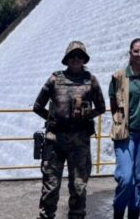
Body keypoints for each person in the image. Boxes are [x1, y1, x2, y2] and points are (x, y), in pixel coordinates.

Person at [33, 41, 106, 219]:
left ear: (84, 59)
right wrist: (53, 120)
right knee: (50, 187)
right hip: (55, 141)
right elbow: (37, 106)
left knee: (79, 187)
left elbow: (102, 107)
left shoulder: (91, 80)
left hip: (80, 142)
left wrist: (87, 116)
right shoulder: (54, 79)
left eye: (79, 56)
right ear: (67, 59)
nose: (76, 59)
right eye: (72, 56)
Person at [109, 38, 140, 219]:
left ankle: (134, 215)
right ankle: (118, 212)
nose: (139, 54)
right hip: (125, 134)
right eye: (136, 51)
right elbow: (113, 103)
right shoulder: (119, 76)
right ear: (130, 52)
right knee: (126, 178)